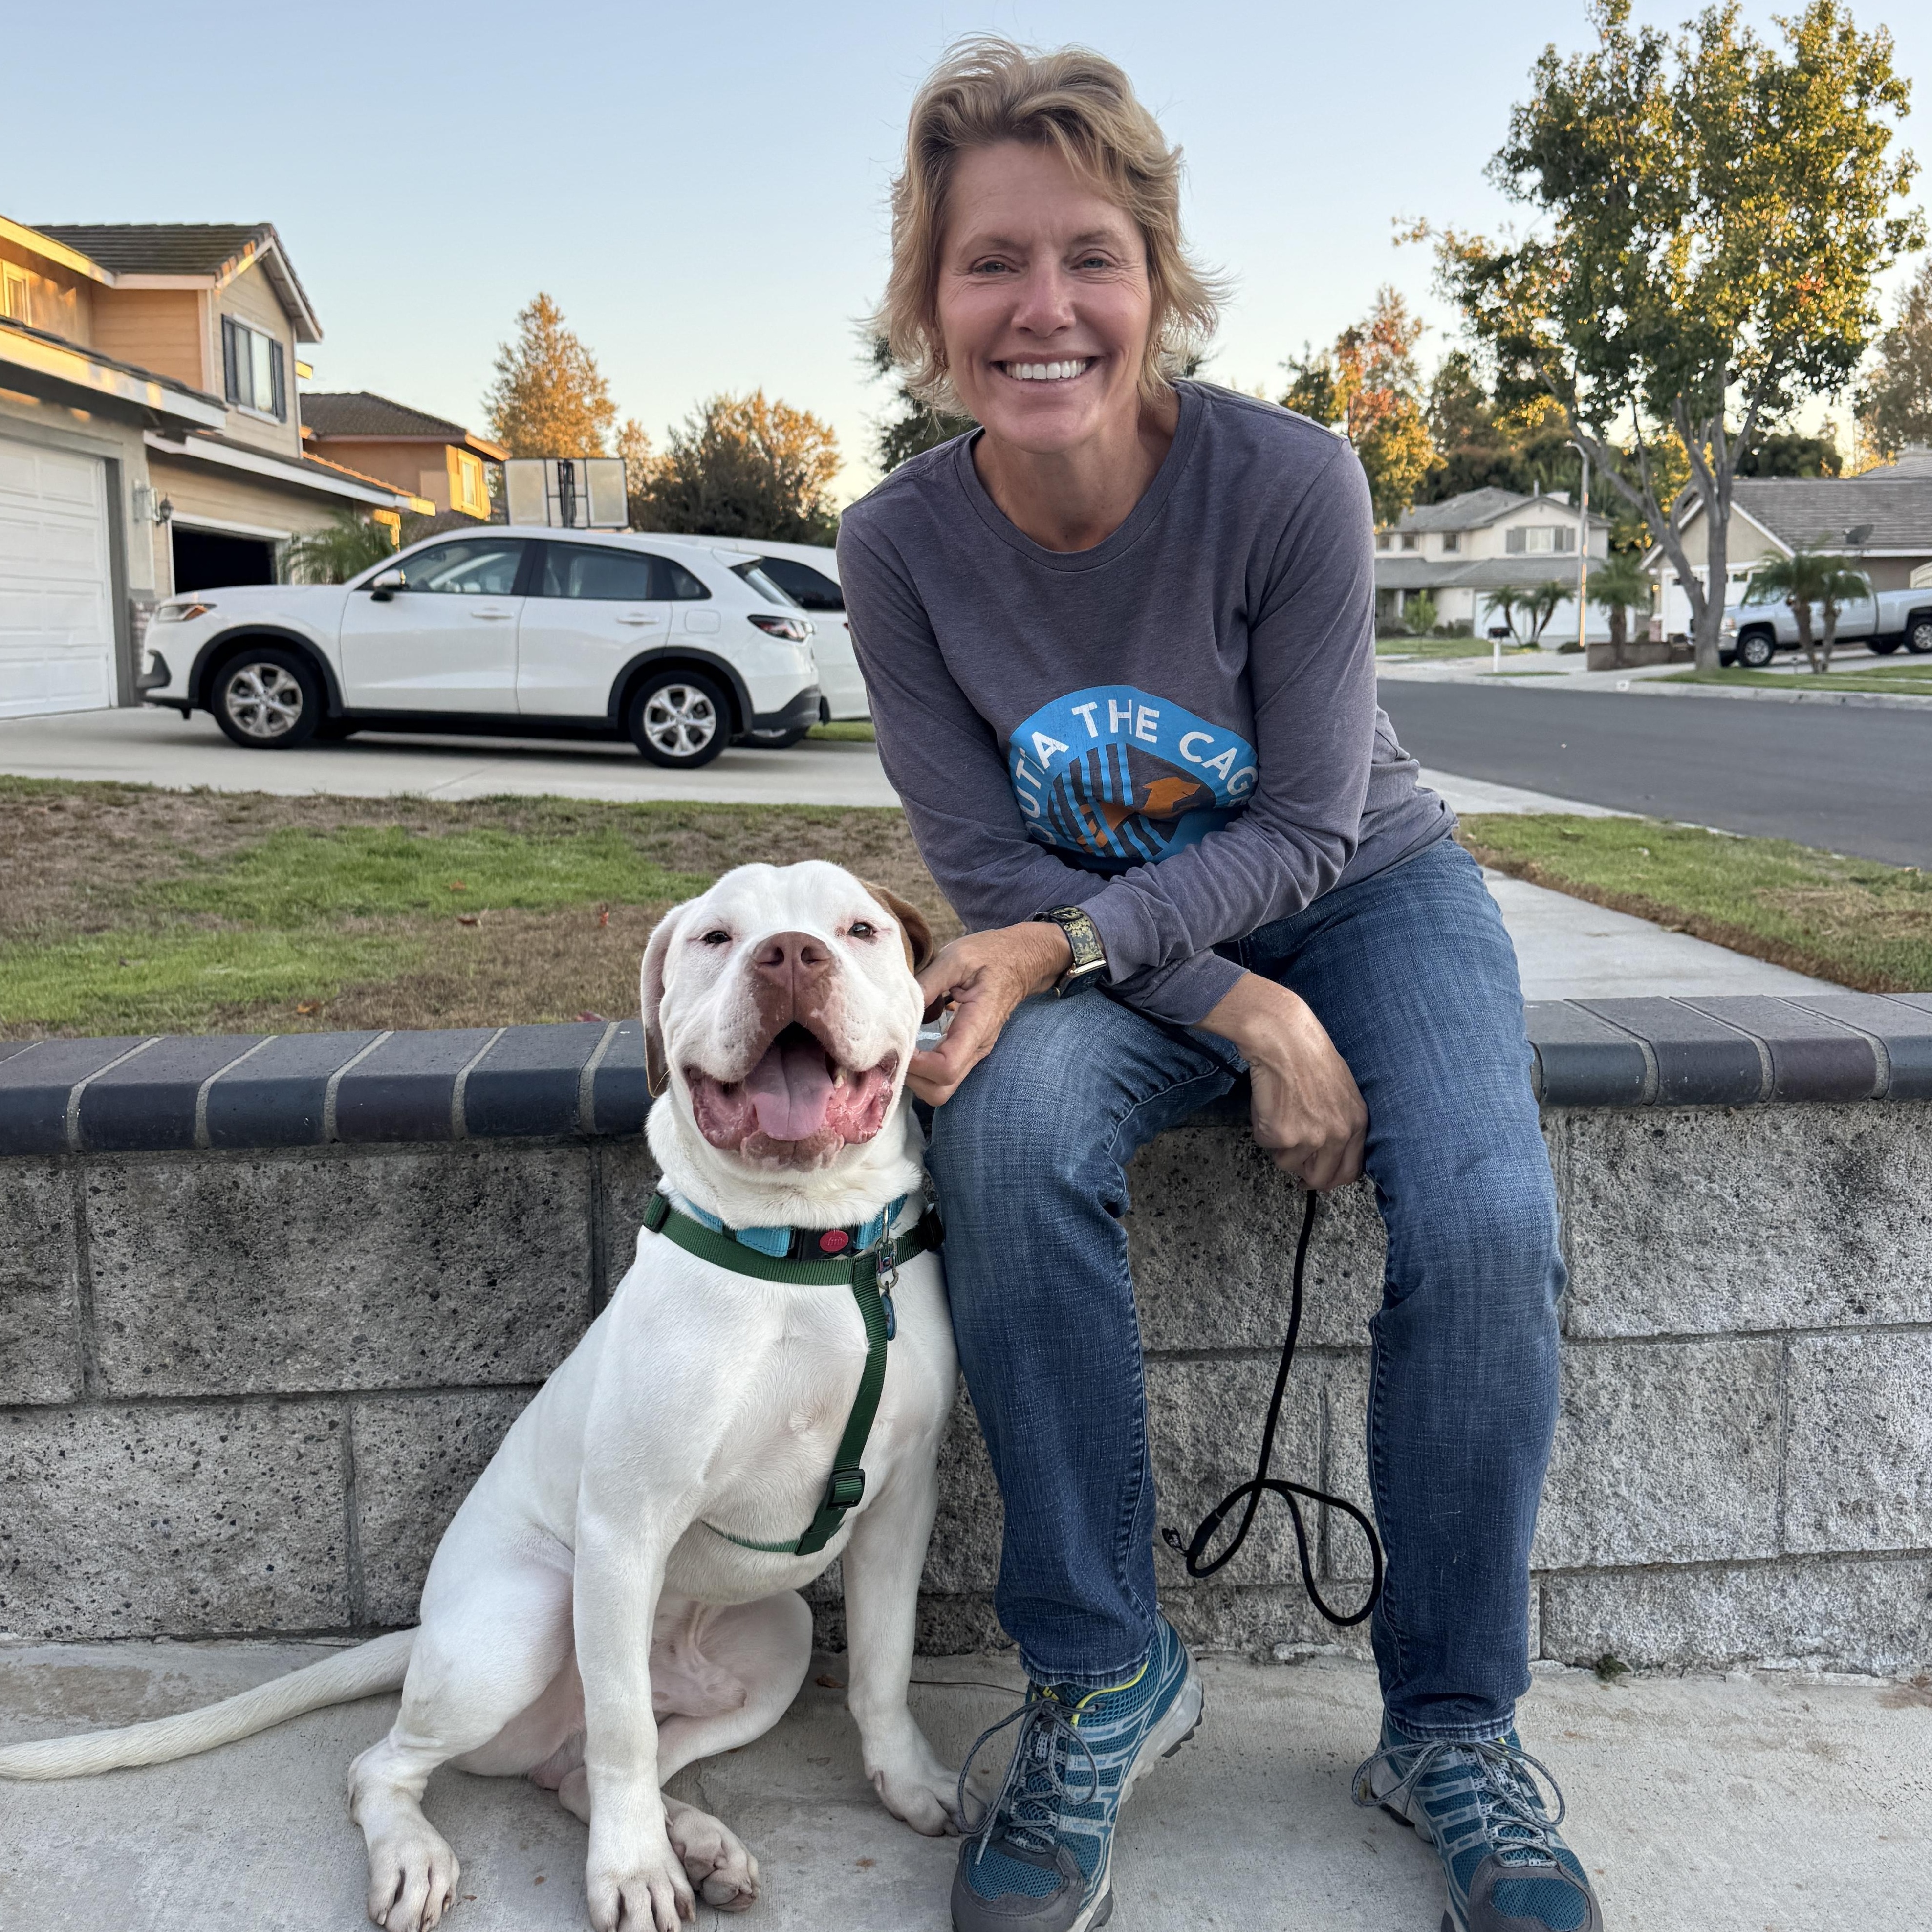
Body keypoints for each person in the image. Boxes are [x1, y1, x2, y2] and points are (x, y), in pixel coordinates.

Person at [837, 38, 1603, 1932]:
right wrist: (1237, 1013)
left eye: (1086, 253)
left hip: (1362, 890)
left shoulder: (1287, 480)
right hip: (1103, 936)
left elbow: (1315, 821)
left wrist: (1263, 978)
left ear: (1154, 277)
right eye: (987, 262)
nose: (1042, 308)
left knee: (1492, 1210)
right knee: (999, 1128)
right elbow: (995, 876)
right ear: (927, 307)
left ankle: (1447, 1721)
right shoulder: (896, 548)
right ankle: (1102, 1669)